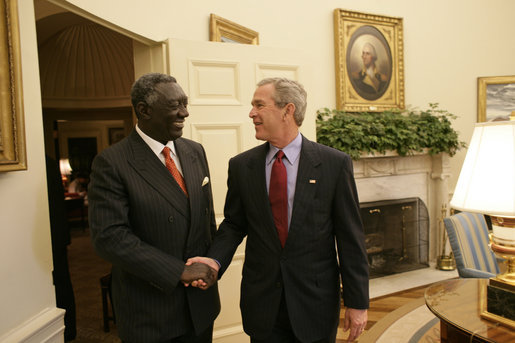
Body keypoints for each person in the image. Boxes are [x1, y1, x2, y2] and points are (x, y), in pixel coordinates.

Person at [189, 78, 369, 342]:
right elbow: (234, 224)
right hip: (262, 304)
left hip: (315, 304)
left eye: (259, 105)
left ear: (288, 111)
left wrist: (358, 302)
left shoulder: (334, 164)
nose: (251, 113)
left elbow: (350, 238)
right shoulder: (242, 166)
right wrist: (214, 261)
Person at [88, 72, 220, 343]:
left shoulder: (195, 151)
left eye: (185, 103)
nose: (185, 112)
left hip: (200, 306)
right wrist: (178, 271)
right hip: (151, 314)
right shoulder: (112, 162)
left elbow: (206, 222)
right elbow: (109, 238)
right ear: (144, 110)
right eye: (175, 105)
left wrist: (211, 264)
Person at [45, 155, 77, 341]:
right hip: (56, 234)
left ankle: (68, 329)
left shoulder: (44, 162)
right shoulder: (47, 161)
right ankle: (69, 329)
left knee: (61, 284)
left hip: (53, 235)